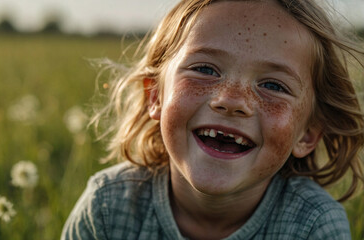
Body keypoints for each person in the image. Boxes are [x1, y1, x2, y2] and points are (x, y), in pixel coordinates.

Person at [62, 0, 364, 239]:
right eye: (205, 70)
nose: (231, 100)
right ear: (155, 96)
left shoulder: (312, 226)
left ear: (307, 134)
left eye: (273, 86)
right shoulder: (106, 207)